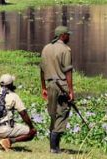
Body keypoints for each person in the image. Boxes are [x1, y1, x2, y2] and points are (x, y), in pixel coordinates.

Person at [40, 26, 74, 154]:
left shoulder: (46, 48)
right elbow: (68, 72)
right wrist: (71, 91)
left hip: (50, 85)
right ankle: (54, 148)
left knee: (53, 113)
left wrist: (43, 87)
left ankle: (54, 147)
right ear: (62, 35)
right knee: (62, 113)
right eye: (68, 35)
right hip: (62, 86)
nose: (69, 37)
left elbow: (42, 70)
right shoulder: (66, 50)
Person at [0, 74, 37, 151]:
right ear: (11, 84)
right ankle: (8, 141)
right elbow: (23, 113)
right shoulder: (13, 96)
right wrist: (31, 127)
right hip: (3, 130)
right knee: (32, 132)